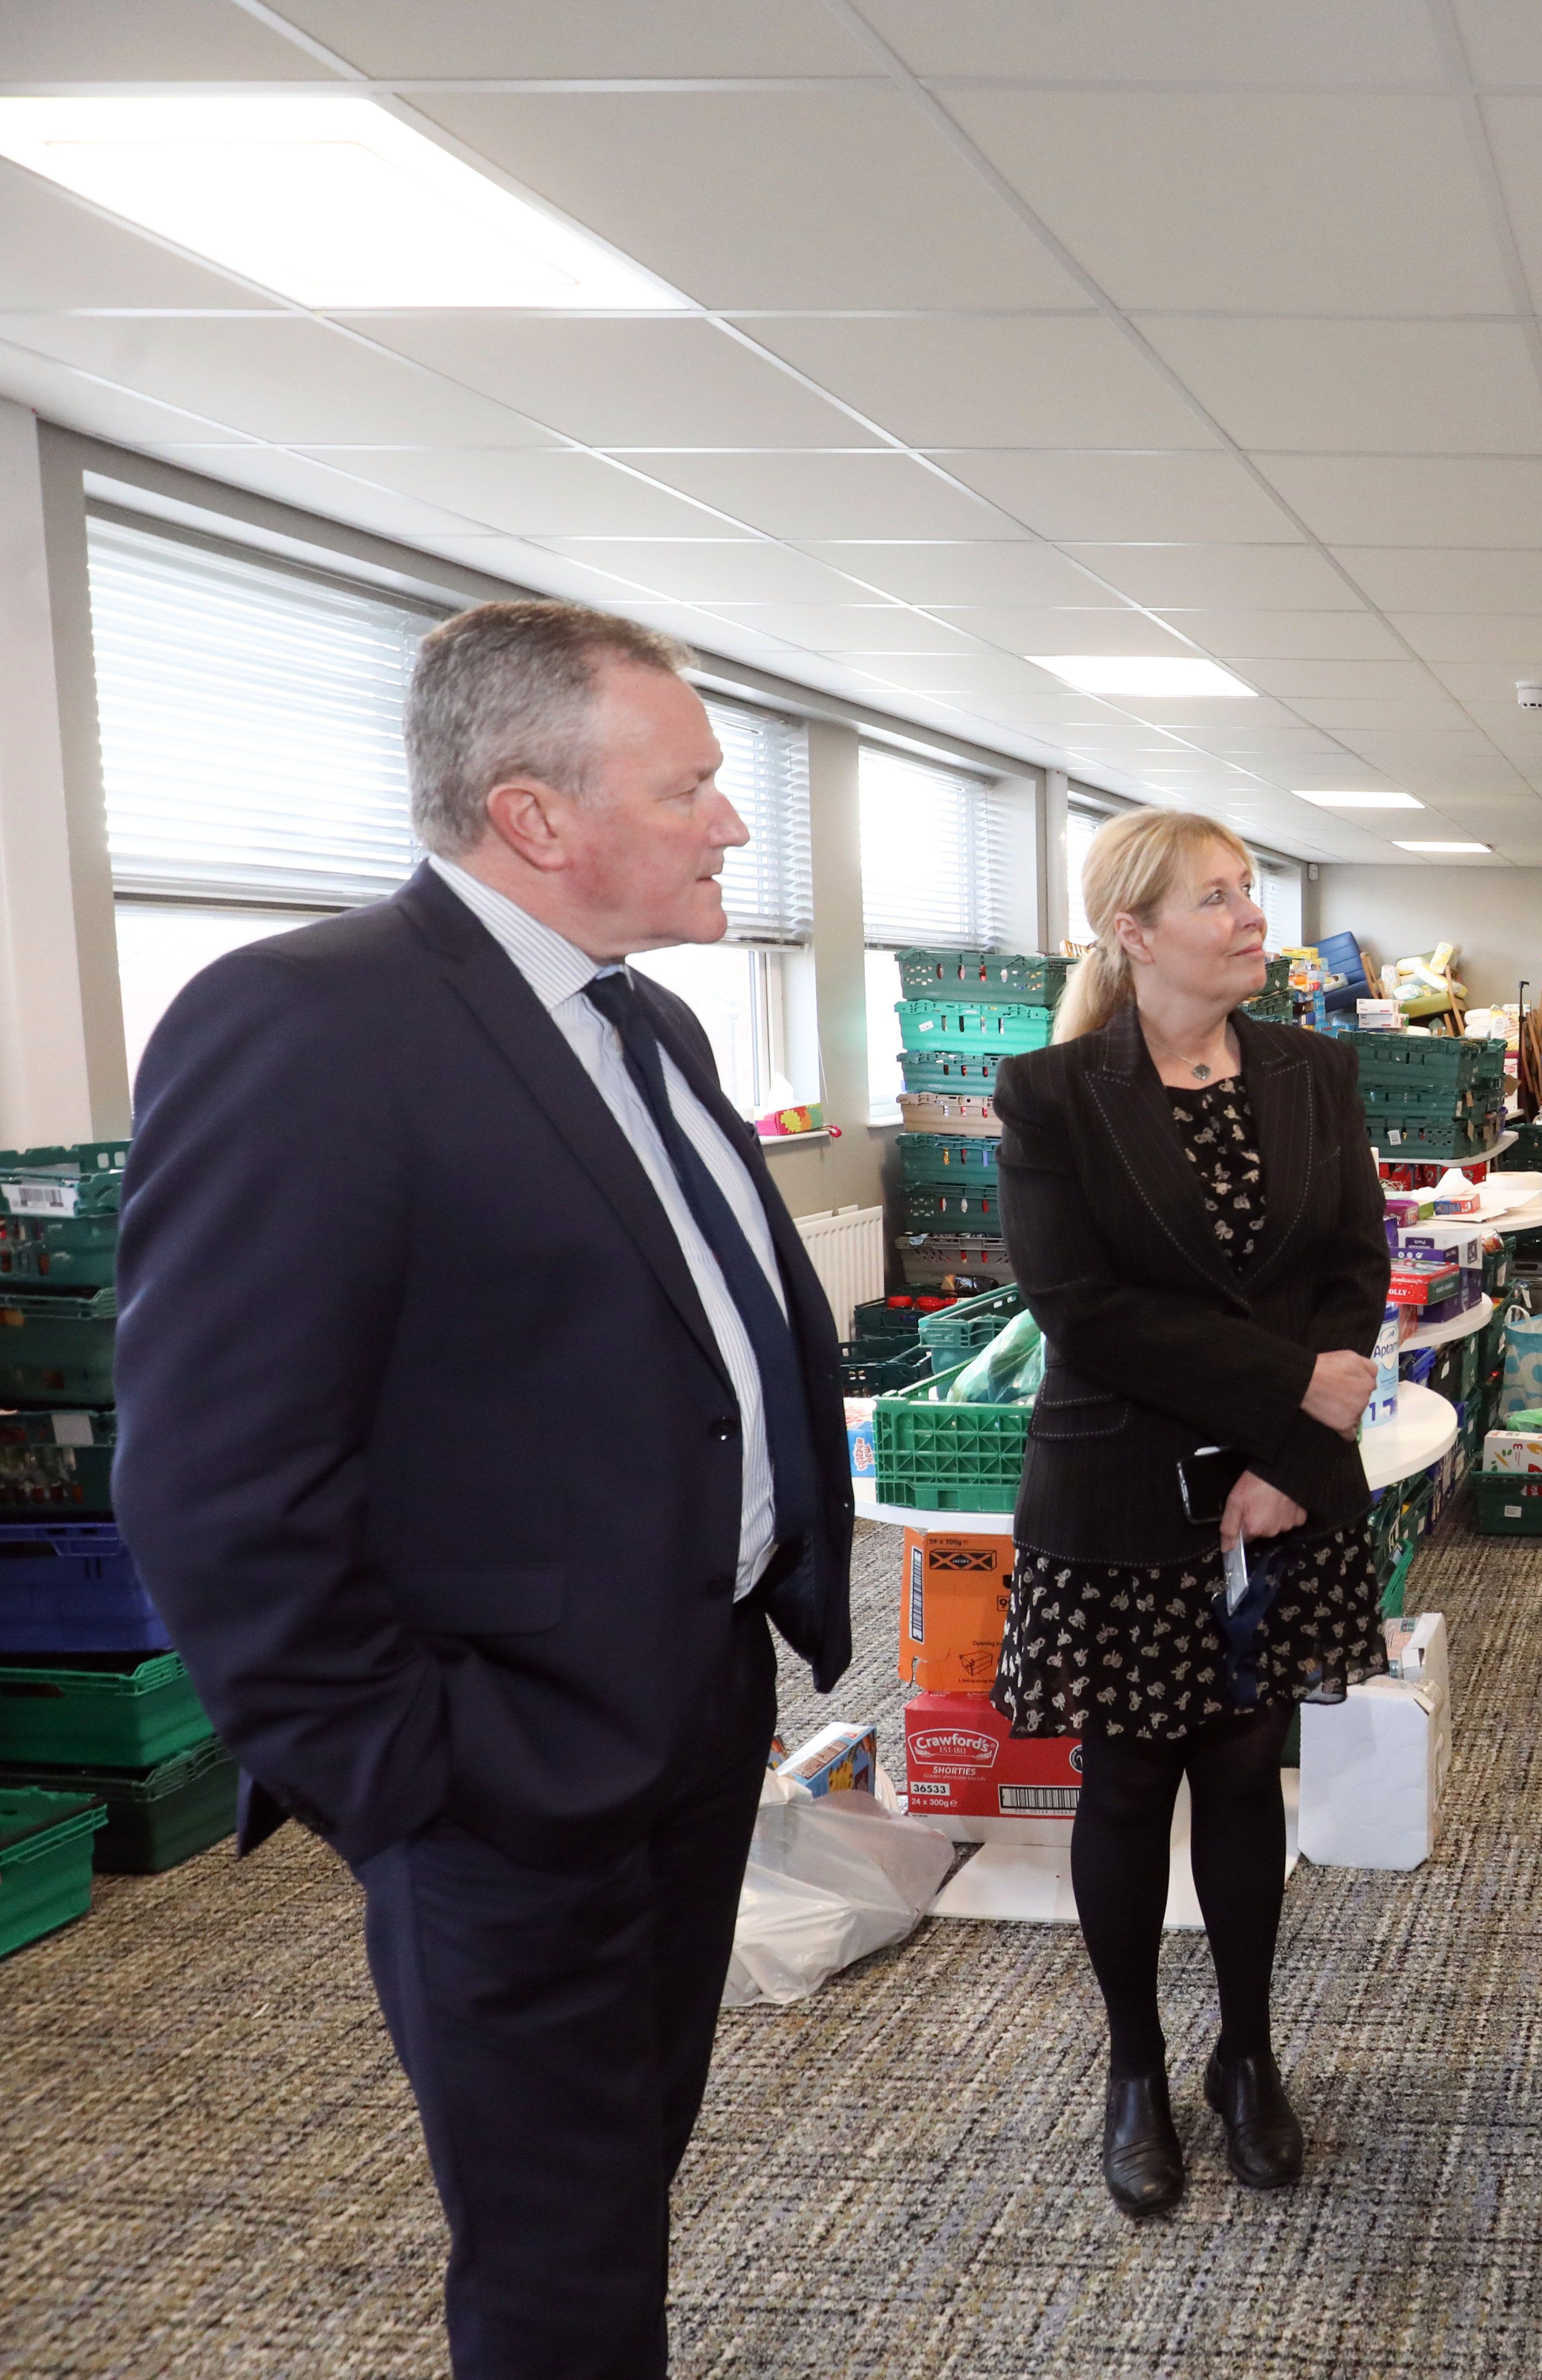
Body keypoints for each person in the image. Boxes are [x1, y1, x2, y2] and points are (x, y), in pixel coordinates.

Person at [112, 602, 853, 2379]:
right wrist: (409, 1779)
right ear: (535, 817)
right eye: (692, 789)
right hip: (502, 1764)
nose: (733, 826)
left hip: (684, 1711)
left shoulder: (649, 1026)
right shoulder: (309, 1024)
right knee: (556, 2248)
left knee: (621, 2171)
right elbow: (215, 1477)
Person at [988, 808, 1393, 2221]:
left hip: (1281, 1496)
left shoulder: (1314, 1070)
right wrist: (1300, 1384)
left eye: (1250, 891)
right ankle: (1134, 2070)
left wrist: (1289, 1450)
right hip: (1121, 1491)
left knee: (1240, 1775)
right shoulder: (1051, 1096)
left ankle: (1247, 2055)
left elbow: (1353, 1263)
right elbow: (1082, 1313)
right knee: (1126, 1783)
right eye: (1214, 898)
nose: (1249, 918)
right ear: (1132, 931)